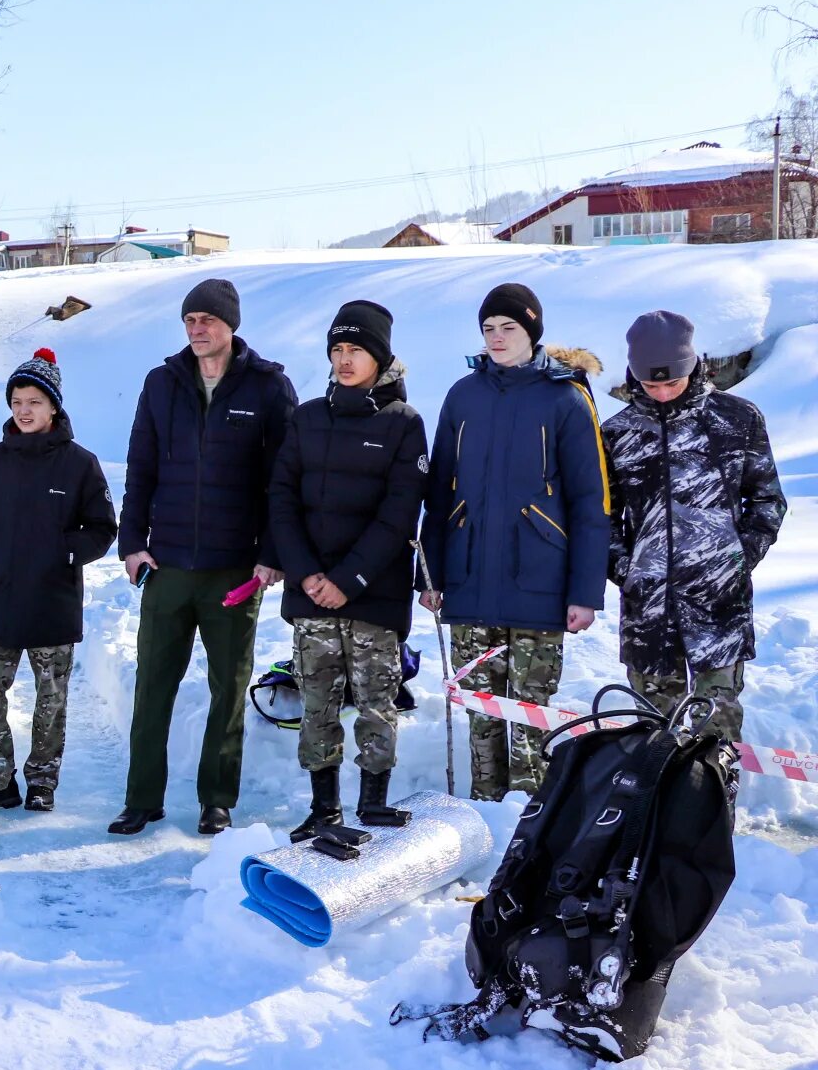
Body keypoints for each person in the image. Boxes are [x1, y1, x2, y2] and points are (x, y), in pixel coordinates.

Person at [112, 278, 297, 837]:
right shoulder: (162, 383)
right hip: (166, 566)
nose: (197, 329)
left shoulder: (267, 387)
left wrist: (272, 554)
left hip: (234, 570)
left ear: (230, 326)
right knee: (153, 686)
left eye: (207, 321)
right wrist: (131, 541)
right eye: (190, 320)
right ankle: (142, 798)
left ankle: (217, 799)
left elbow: (282, 480)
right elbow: (139, 465)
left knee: (227, 689)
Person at [420, 282, 609, 801]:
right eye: (488, 329)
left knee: (531, 715)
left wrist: (585, 591)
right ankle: (484, 810)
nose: (497, 338)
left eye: (508, 328)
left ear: (532, 333)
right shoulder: (463, 395)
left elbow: (592, 502)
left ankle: (531, 820)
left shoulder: (566, 398)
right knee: (480, 713)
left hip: (539, 582)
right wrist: (431, 577)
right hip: (469, 578)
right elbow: (439, 493)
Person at [267, 302, 428, 839]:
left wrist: (349, 580)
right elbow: (282, 499)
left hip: (373, 594)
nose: (344, 359)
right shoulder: (307, 417)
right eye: (337, 350)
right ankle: (324, 808)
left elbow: (399, 512)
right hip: (311, 593)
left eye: (355, 350)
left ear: (379, 358)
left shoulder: (404, 425)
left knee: (377, 705)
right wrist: (308, 573)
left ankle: (374, 803)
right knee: (317, 705)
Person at [603, 310, 786, 743]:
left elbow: (767, 499)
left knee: (716, 739)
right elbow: (602, 517)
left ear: (693, 366)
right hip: (649, 612)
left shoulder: (737, 420)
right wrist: (626, 570)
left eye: (672, 382)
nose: (663, 393)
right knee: (652, 739)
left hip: (720, 607)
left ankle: (716, 809)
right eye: (651, 384)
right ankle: (653, 812)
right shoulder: (617, 433)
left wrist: (736, 560)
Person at [0, 348, 116, 815]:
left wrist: (65, 552)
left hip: (52, 601)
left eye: (35, 402)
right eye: (17, 401)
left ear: (54, 407)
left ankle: (42, 782)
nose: (24, 410)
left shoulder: (80, 463)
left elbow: (102, 527)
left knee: (50, 703)